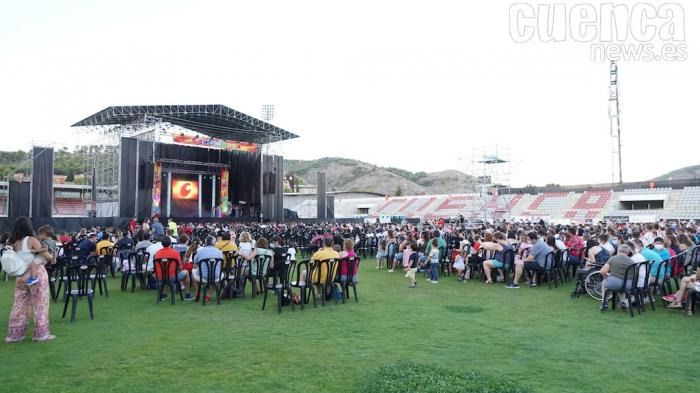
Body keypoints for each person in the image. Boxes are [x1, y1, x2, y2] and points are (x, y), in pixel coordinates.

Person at [5, 217, 55, 343]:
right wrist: (51, 255)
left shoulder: (14, 243)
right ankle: (41, 334)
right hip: (36, 274)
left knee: (19, 305)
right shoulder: (32, 240)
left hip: (20, 276)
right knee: (40, 304)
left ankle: (14, 335)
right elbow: (48, 257)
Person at [153, 236, 192, 300]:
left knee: (165, 272)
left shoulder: (157, 254)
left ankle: (163, 294)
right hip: (172, 277)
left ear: (162, 244)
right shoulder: (175, 253)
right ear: (170, 244)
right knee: (186, 272)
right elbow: (180, 267)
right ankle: (187, 294)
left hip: (159, 277)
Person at [599, 244, 635, 310]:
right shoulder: (632, 261)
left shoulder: (613, 258)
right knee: (621, 284)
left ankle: (605, 302)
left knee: (604, 282)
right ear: (627, 252)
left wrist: (606, 275)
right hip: (627, 285)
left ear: (618, 251)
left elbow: (602, 271)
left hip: (614, 283)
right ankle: (623, 302)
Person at [192, 236, 224, 303]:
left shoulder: (200, 251)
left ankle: (198, 292)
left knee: (193, 272)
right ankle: (209, 295)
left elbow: (194, 265)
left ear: (205, 242)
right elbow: (221, 265)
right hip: (216, 276)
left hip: (203, 276)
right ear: (214, 243)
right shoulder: (219, 252)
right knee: (219, 274)